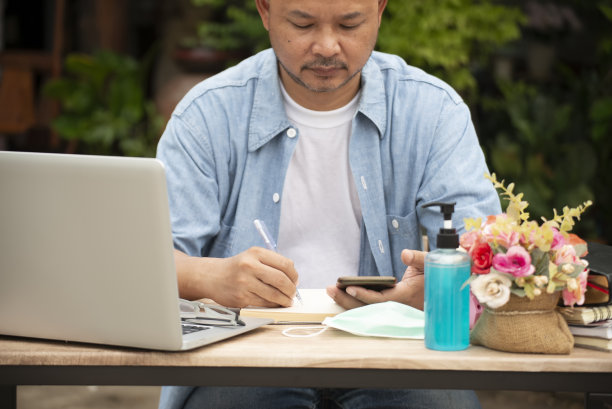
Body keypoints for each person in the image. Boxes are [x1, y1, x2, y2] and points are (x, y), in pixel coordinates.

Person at [156, 0, 501, 408]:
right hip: (246, 355)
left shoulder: (431, 110)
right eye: (302, 24)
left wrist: (432, 293)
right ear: (265, 11)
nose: (326, 46)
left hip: (392, 354)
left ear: (380, 10)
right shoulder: (208, 114)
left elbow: (489, 252)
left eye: (349, 24)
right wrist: (212, 277)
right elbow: (147, 261)